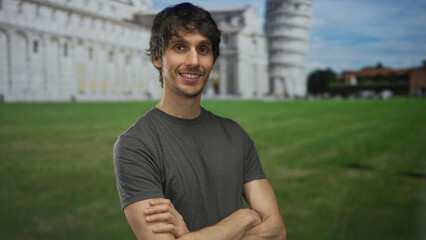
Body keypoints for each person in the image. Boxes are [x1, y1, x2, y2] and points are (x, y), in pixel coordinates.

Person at [113, 2, 286, 239]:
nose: (193, 61)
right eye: (180, 47)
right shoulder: (136, 145)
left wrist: (191, 237)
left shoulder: (235, 135)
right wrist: (244, 217)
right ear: (157, 58)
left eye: (203, 50)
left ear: (212, 61)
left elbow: (277, 231)